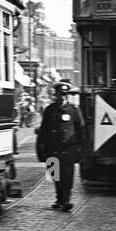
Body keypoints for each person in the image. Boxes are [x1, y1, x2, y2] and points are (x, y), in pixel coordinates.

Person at [36, 81, 85, 212]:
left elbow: (81, 129)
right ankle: (59, 198)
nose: (63, 96)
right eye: (60, 94)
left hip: (68, 149)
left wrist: (81, 148)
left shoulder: (74, 110)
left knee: (68, 175)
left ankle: (66, 200)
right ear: (55, 95)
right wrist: (41, 148)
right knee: (54, 175)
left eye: (65, 94)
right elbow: (44, 130)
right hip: (53, 149)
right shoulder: (50, 110)